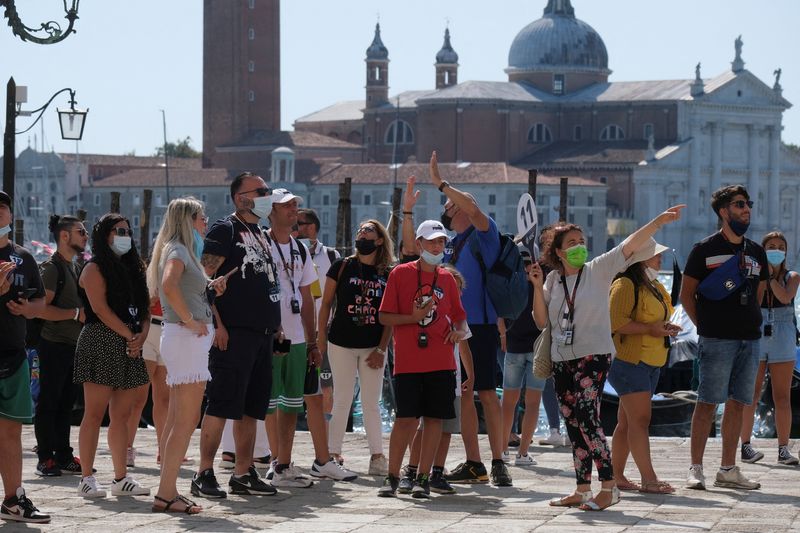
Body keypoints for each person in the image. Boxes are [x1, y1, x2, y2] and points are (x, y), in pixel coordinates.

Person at [531, 205, 684, 511]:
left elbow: (628, 244)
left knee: (589, 418)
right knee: (572, 421)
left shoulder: (598, 269)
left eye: (580, 241)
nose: (578, 247)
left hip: (594, 357)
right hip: (563, 357)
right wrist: (536, 286)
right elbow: (540, 321)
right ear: (558, 253)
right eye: (571, 243)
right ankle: (582, 488)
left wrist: (657, 220)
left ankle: (609, 485)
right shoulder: (552, 282)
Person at [402, 156, 511, 487]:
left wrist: (441, 182)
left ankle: (499, 461)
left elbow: (475, 209)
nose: (446, 209)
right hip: (446, 330)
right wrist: (407, 211)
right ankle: (474, 463)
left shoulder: (483, 236)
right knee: (464, 394)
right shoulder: (446, 247)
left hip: (478, 325)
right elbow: (410, 251)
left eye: (450, 205)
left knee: (487, 393)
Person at [193, 172, 280, 498]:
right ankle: (204, 472)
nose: (266, 195)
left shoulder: (259, 232)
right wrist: (219, 324)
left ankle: (244, 471)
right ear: (240, 197)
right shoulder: (224, 229)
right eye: (261, 191)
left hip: (262, 332)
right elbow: (203, 278)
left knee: (251, 408)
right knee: (221, 403)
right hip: (234, 332)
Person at [265, 188, 356, 486]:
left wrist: (314, 341)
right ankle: (273, 463)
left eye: (296, 206)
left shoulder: (299, 249)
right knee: (269, 404)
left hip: (299, 340)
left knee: (293, 404)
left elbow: (307, 299)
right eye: (288, 206)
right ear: (270, 210)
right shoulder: (261, 245)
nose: (294, 211)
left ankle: (285, 465)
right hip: (268, 336)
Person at [680, 185, 767, 491]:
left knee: (738, 403)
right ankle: (696, 469)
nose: (747, 209)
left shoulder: (757, 251)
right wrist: (704, 326)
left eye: (748, 203)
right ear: (723, 212)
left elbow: (758, 293)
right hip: (716, 340)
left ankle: (728, 469)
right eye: (740, 204)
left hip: (750, 339)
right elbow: (686, 295)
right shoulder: (703, 249)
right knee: (706, 403)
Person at [147, 197, 228, 513]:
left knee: (178, 419)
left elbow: (180, 287)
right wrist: (189, 319)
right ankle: (167, 492)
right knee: (185, 420)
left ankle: (166, 491)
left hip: (183, 338)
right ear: (189, 220)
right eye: (202, 218)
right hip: (185, 337)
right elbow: (168, 286)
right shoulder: (179, 250)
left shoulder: (181, 251)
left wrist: (210, 286)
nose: (206, 223)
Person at [377, 219, 468, 498]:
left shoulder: (447, 279)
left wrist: (456, 332)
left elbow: (461, 320)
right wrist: (413, 318)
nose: (437, 246)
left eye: (441, 241)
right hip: (408, 361)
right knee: (405, 420)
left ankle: (423, 478)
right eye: (432, 241)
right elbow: (384, 316)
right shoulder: (400, 274)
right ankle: (392, 477)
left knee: (434, 420)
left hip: (441, 361)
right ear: (419, 244)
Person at [74, 213, 151, 498]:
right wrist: (129, 335)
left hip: (130, 342)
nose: (124, 236)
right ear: (104, 235)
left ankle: (121, 477)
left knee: (122, 414)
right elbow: (101, 310)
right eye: (118, 231)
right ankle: (86, 477)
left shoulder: (134, 269)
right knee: (93, 413)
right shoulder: (93, 269)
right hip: (102, 340)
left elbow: (144, 309)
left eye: (127, 231)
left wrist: (140, 335)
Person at [317, 219, 392, 475]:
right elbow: (326, 303)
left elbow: (390, 315)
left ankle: (377, 456)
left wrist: (382, 349)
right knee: (342, 399)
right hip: (341, 342)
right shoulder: (342, 266)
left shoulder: (387, 273)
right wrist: (320, 337)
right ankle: (333, 453)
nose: (363, 234)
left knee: (372, 402)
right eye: (360, 230)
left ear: (380, 239)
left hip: (373, 346)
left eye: (369, 231)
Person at [609, 244, 679, 494]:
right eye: (655, 254)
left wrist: (665, 327)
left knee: (627, 422)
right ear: (640, 258)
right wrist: (651, 329)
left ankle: (616, 476)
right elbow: (616, 322)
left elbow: (655, 318)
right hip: (630, 361)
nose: (660, 258)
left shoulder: (654, 286)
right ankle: (648, 479)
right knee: (640, 420)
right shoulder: (625, 284)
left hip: (650, 362)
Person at [0, 190, 50, 524]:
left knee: (11, 432)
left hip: (13, 354)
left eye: (2, 207)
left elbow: (40, 304)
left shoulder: (23, 258)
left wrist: (25, 308)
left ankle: (13, 499)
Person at [33, 215, 88, 477]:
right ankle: (45, 457)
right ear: (64, 236)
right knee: (49, 401)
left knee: (67, 402)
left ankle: (63, 454)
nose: (85, 236)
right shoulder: (52, 268)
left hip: (72, 346)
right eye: (81, 232)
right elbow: (42, 310)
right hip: (54, 344)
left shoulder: (76, 267)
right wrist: (75, 314)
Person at [740, 231, 799, 465]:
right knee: (751, 394)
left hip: (783, 332)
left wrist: (770, 276)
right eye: (771, 246)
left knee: (782, 395)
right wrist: (762, 277)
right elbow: (752, 300)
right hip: (757, 329)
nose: (776, 250)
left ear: (786, 251)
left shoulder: (792, 276)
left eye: (780, 246)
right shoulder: (754, 277)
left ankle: (783, 448)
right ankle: (745, 444)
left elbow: (785, 297)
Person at [500, 247, 543, 467]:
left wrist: (502, 333)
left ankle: (505, 450)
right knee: (531, 403)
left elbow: (498, 310)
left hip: (517, 346)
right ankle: (522, 453)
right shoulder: (541, 282)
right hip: (535, 347)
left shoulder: (508, 280)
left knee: (509, 402)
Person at [298, 208, 340, 424]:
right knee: (293, 386)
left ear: (311, 227)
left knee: (326, 386)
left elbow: (338, 297)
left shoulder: (332, 256)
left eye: (299, 224)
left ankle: (325, 431)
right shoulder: (289, 252)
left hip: (323, 331)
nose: (295, 227)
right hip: (295, 331)